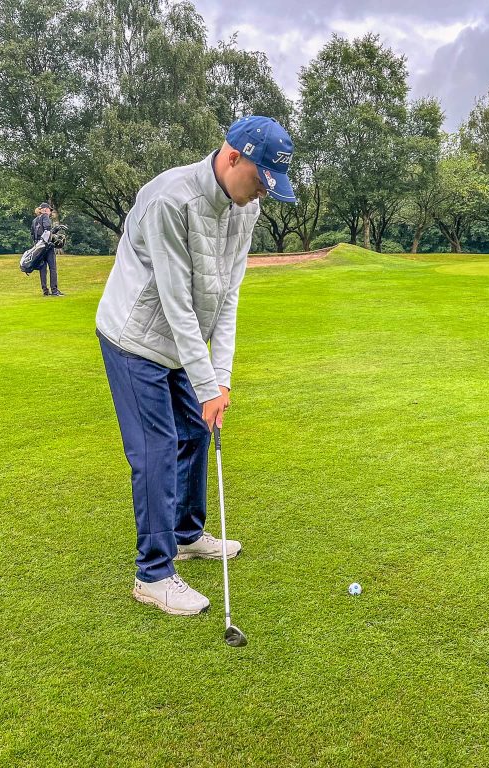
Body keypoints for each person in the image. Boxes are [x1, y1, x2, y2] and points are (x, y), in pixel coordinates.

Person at [95, 116, 296, 616]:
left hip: (179, 341)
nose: (261, 195)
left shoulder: (245, 209)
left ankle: (186, 534)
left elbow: (226, 299)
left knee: (194, 430)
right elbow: (176, 301)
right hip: (134, 335)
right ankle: (153, 574)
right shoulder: (170, 199)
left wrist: (219, 381)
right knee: (157, 446)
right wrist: (205, 384)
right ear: (232, 158)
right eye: (259, 180)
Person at [30, 203, 63, 297]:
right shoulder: (45, 217)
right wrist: (56, 230)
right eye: (49, 209)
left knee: (43, 269)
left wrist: (37, 245)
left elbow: (33, 234)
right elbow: (48, 231)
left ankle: (45, 290)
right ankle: (54, 290)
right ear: (44, 209)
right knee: (53, 268)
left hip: (39, 247)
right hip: (47, 247)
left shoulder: (34, 220)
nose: (50, 211)